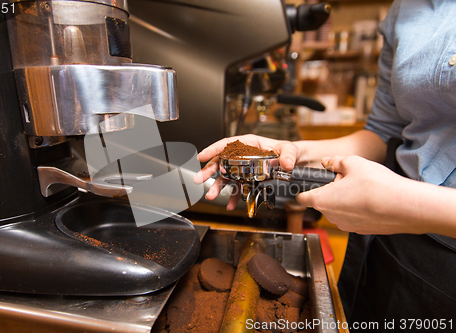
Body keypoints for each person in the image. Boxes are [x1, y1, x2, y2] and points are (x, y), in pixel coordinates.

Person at [193, 0, 456, 329]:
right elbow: (384, 132)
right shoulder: (405, 9)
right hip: (389, 240)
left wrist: (407, 204)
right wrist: (293, 151)